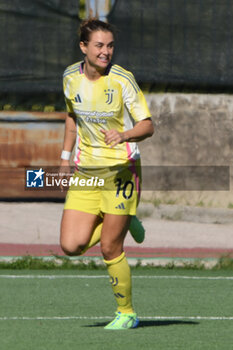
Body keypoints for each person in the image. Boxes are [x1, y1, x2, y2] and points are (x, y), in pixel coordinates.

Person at [60, 18, 154, 330]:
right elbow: (71, 118)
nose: (106, 52)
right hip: (86, 171)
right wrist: (64, 156)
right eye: (99, 45)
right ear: (83, 47)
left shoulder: (122, 80)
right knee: (71, 246)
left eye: (110, 45)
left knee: (110, 247)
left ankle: (127, 313)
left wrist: (124, 135)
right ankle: (125, 220)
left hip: (120, 171)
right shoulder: (70, 78)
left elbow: (147, 126)